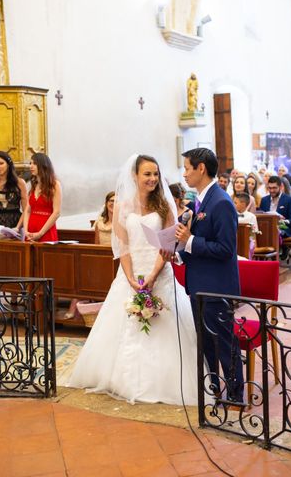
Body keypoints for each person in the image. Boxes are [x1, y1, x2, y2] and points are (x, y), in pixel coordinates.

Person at [68, 154, 199, 405]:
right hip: (130, 274)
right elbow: (123, 247)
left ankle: (162, 382)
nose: (152, 179)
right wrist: (129, 277)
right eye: (147, 174)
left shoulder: (164, 205)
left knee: (165, 326)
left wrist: (152, 275)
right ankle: (119, 379)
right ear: (134, 176)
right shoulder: (123, 206)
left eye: (156, 174)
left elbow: (168, 245)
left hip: (159, 272)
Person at [172, 147, 243, 403]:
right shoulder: (199, 202)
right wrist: (181, 252)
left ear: (201, 168)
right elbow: (197, 242)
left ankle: (236, 395)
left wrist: (190, 240)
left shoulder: (221, 202)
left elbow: (225, 250)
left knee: (224, 343)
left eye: (187, 168)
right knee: (207, 343)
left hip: (216, 287)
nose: (184, 174)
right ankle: (214, 390)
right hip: (200, 284)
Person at [23, 153, 62, 242]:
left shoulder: (55, 185)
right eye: (30, 163)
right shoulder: (34, 184)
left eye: (35, 163)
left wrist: (40, 233)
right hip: (30, 230)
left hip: (46, 230)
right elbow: (28, 210)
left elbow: (56, 213)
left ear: (43, 165)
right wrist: (25, 230)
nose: (31, 166)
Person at [234, 192, 258, 259]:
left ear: (243, 204)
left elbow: (254, 233)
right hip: (234, 240)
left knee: (250, 245)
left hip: (247, 242)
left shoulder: (251, 216)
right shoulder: (231, 215)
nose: (233, 204)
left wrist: (254, 245)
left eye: (235, 203)